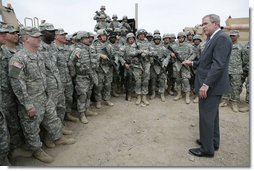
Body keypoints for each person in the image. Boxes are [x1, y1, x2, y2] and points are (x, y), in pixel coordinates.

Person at [8, 26, 76, 163]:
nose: (39, 38)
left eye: (39, 36)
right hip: (31, 100)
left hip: (44, 95)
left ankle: (58, 137)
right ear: (26, 38)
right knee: (32, 128)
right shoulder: (17, 59)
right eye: (36, 36)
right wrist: (28, 105)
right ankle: (36, 150)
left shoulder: (38, 55)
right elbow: (17, 84)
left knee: (52, 118)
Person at [182, 14, 232, 157]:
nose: (203, 27)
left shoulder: (221, 38)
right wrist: (192, 63)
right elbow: (207, 62)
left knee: (206, 116)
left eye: (205, 24)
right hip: (211, 85)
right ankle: (212, 142)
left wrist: (206, 85)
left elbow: (218, 65)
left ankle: (207, 149)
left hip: (211, 86)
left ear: (215, 24)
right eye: (202, 24)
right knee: (212, 116)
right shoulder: (213, 38)